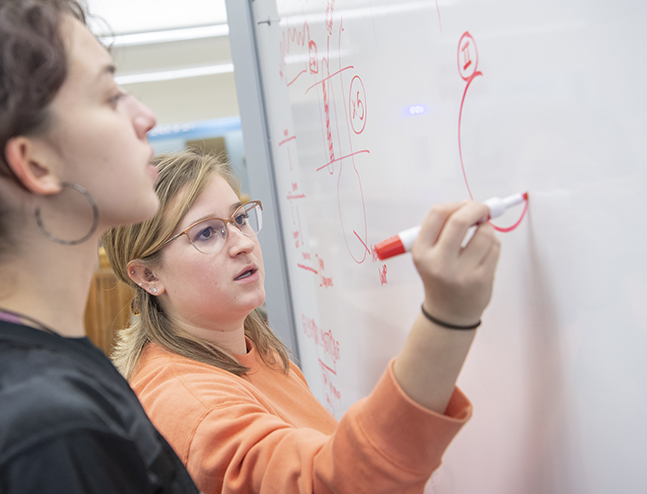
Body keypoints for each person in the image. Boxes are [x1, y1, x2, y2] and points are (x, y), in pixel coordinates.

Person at [0, 0, 200, 492]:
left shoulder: (26, 377)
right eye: (110, 96)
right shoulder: (43, 429)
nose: (145, 117)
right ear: (35, 165)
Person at [102, 150, 501, 494]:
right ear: (148, 276)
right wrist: (448, 317)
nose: (243, 243)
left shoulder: (254, 351)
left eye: (239, 219)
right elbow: (337, 485)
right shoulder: (190, 403)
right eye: (207, 233)